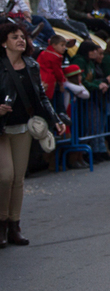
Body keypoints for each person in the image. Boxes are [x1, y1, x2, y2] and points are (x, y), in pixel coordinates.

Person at [0, 23, 65, 247]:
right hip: (1, 128)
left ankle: (14, 226)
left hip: (23, 127)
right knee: (5, 176)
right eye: (14, 36)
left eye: (23, 36)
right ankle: (1, 223)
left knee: (18, 179)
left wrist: (55, 119)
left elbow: (41, 96)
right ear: (3, 42)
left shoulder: (31, 65)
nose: (21, 40)